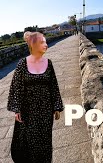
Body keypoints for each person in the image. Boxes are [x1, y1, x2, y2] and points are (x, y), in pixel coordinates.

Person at [7, 31, 64, 163]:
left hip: (45, 110)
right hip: (28, 110)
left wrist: (56, 106)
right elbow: (16, 87)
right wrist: (17, 109)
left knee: (45, 141)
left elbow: (53, 85)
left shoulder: (49, 63)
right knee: (30, 141)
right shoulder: (22, 64)